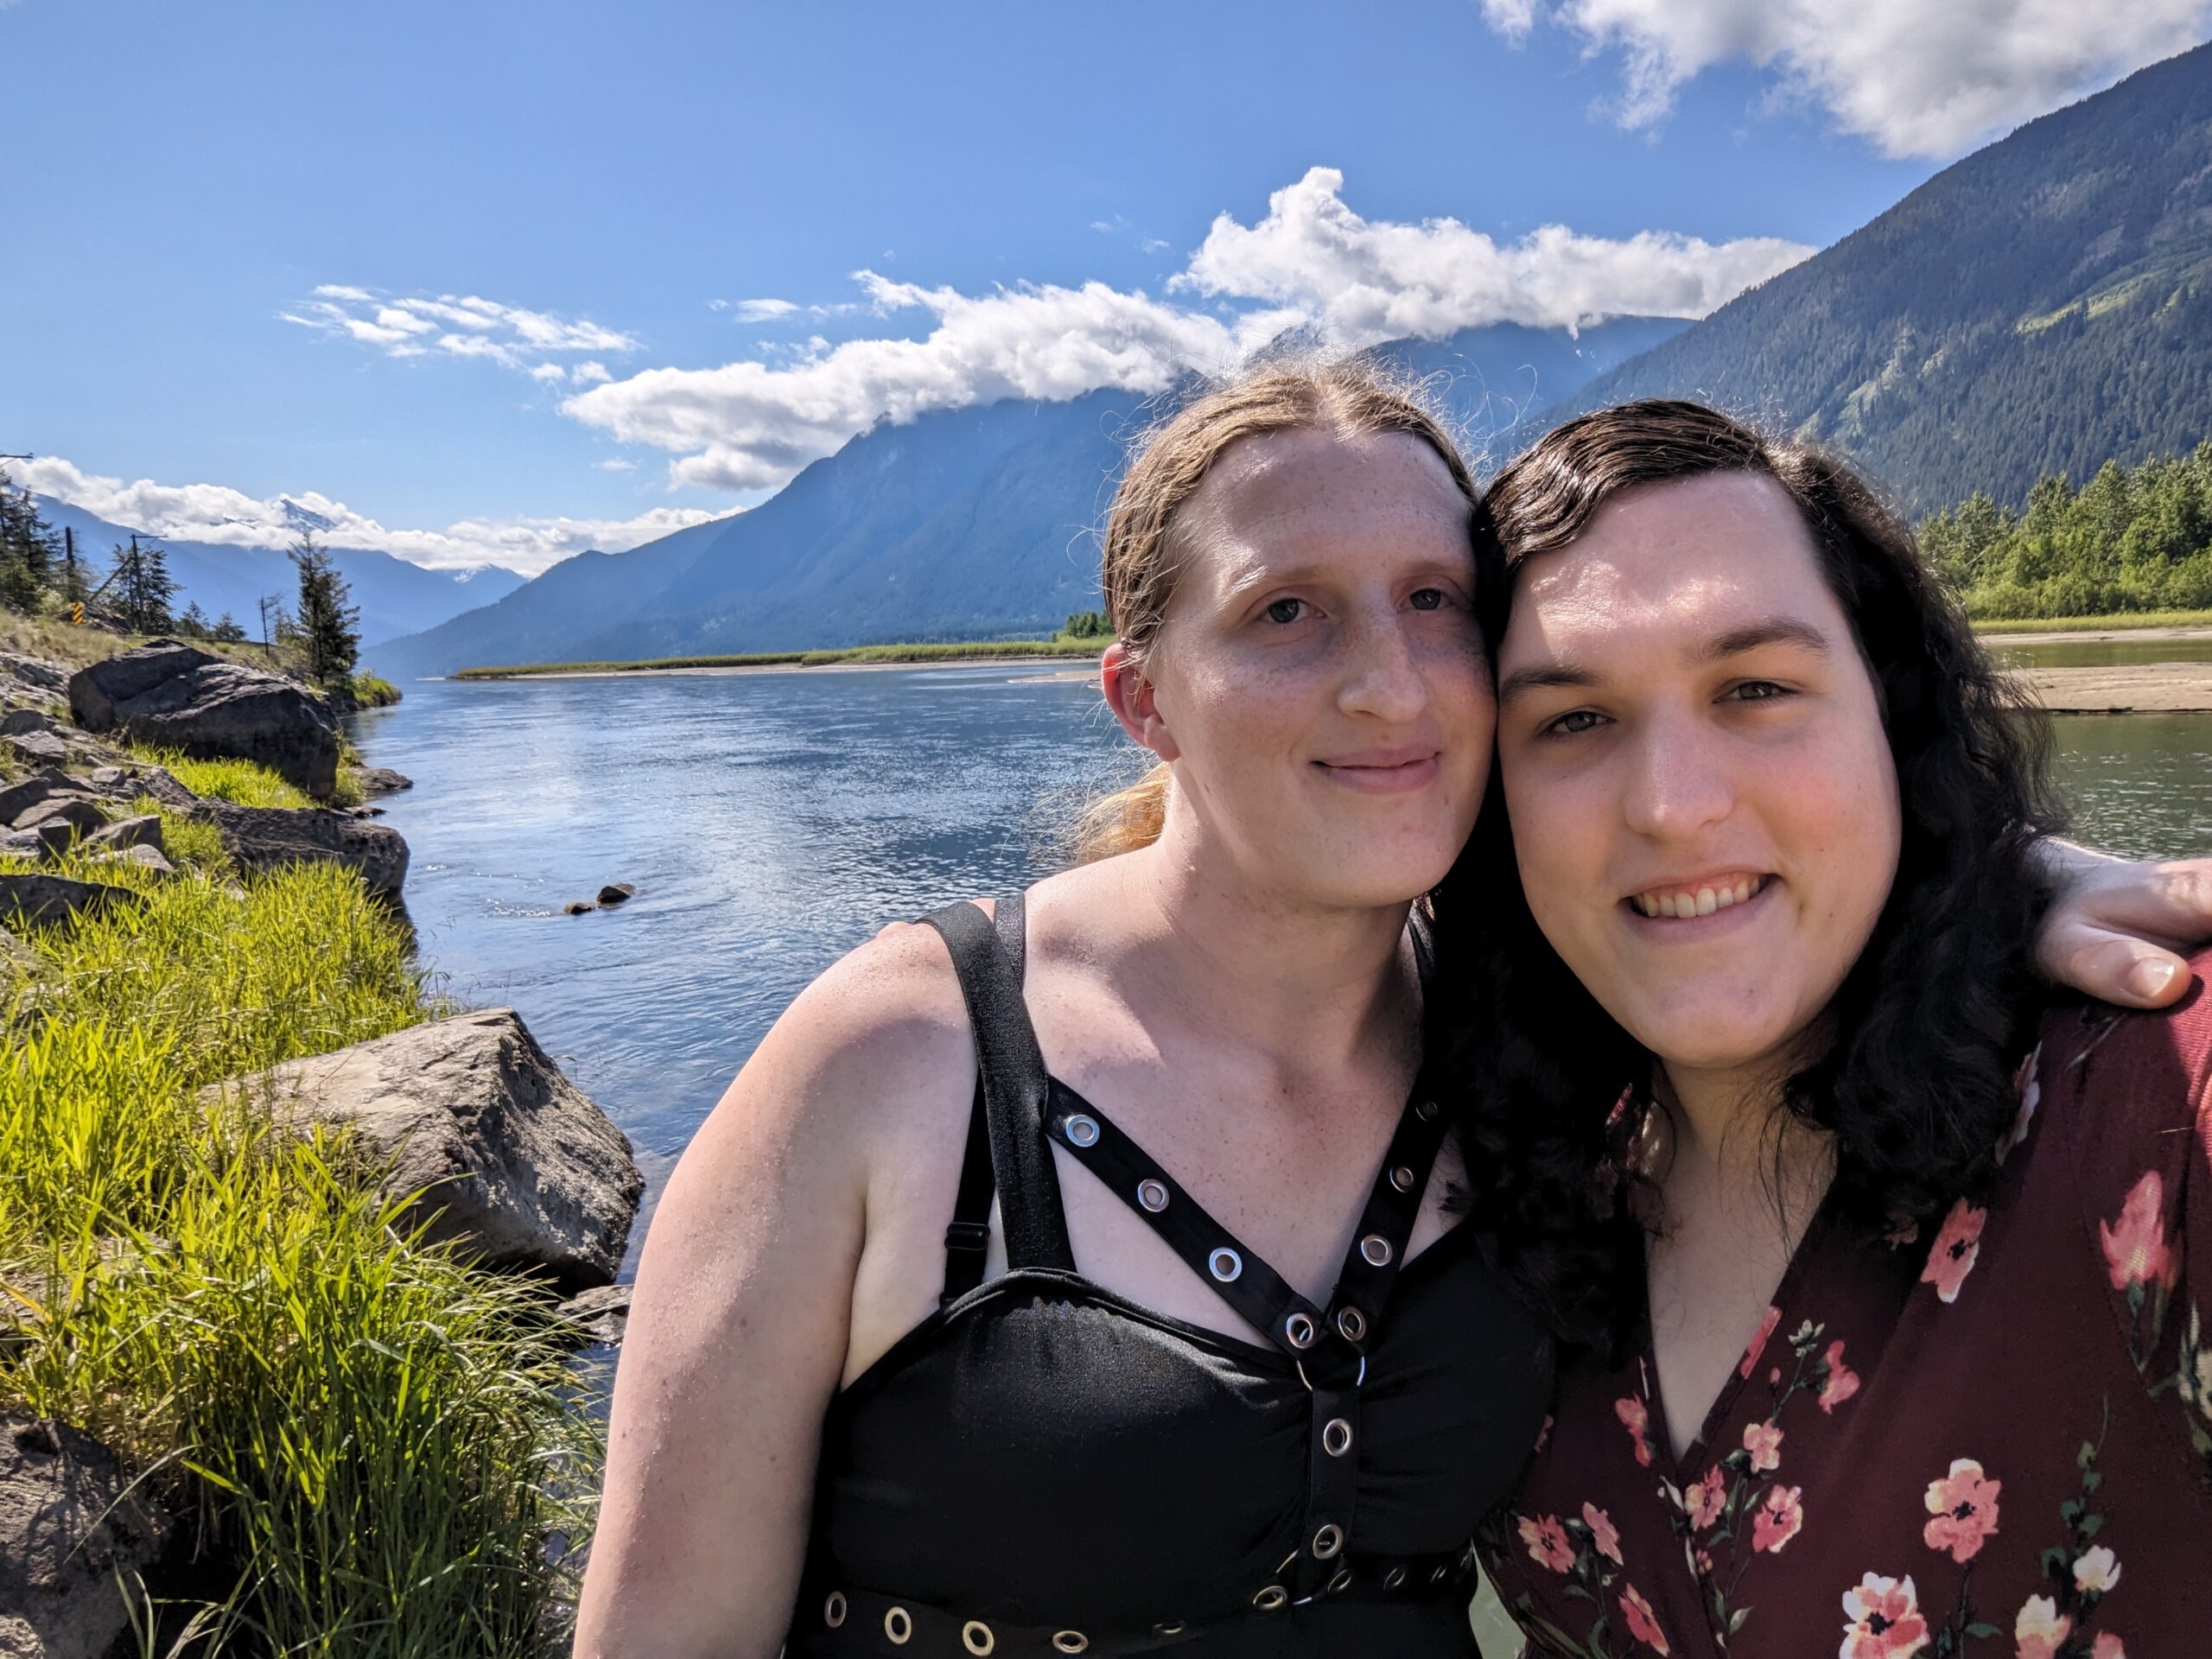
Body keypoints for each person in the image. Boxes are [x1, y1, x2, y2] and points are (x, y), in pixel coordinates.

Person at [575, 362, 2212, 1659]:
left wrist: (1991, 874)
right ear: (1143, 698)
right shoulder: (898, 1059)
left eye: (1437, 601)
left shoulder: (1539, 1054)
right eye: (1287, 611)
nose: (1391, 682)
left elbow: (1766, 877)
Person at [1456, 400, 2212, 1657]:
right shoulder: (1493, 1163)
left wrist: (2006, 867)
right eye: (1573, 720)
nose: (1671, 806)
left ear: (1894, 724)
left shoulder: (2153, 1101)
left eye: (1756, 687)